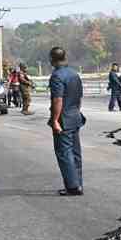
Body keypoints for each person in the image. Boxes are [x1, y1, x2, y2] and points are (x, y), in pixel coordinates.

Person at [48, 47, 85, 196]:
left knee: (64, 152)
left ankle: (72, 186)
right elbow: (79, 97)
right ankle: (78, 183)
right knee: (76, 152)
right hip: (75, 116)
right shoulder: (74, 74)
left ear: (52, 59)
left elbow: (58, 99)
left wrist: (55, 120)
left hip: (63, 118)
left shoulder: (57, 76)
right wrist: (76, 111)